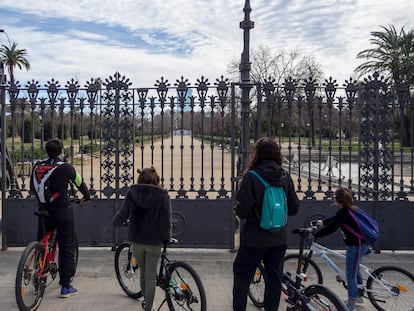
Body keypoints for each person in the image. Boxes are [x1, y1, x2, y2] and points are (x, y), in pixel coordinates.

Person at [232, 137, 300, 311]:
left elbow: (243, 211)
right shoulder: (284, 176)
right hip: (278, 239)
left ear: (257, 154)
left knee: (242, 279)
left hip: (253, 239)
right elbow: (293, 208)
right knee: (274, 280)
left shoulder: (251, 177)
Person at [30, 139, 91, 298]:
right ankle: (65, 286)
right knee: (67, 246)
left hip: (43, 211)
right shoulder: (66, 167)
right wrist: (86, 196)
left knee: (41, 245)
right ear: (61, 151)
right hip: (62, 211)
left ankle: (38, 283)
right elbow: (80, 183)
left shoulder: (38, 166)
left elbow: (32, 187)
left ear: (46, 151)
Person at [112, 167, 172, 311]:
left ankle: (146, 301)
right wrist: (166, 239)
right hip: (154, 241)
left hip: (137, 240)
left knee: (143, 272)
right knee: (151, 274)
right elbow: (166, 221)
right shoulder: (163, 196)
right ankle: (149, 307)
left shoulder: (132, 193)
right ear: (156, 179)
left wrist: (115, 223)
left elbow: (123, 213)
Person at [314, 187, 371, 311]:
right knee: (356, 270)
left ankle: (351, 305)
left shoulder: (343, 213)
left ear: (338, 201)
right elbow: (336, 219)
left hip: (356, 246)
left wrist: (315, 235)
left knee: (350, 275)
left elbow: (333, 227)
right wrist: (323, 222)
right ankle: (359, 296)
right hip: (364, 243)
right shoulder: (353, 209)